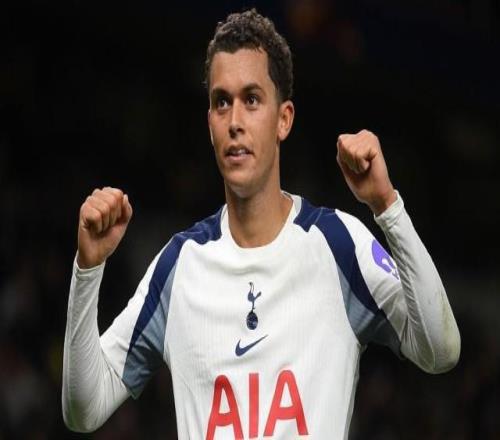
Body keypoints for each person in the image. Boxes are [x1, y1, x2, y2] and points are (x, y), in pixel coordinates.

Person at [62, 9, 460, 439]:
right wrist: (88, 268)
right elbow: (85, 409)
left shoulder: (337, 244)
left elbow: (440, 351)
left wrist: (387, 206)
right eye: (222, 102)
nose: (235, 122)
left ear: (283, 119)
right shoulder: (180, 264)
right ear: (210, 124)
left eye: (251, 100)